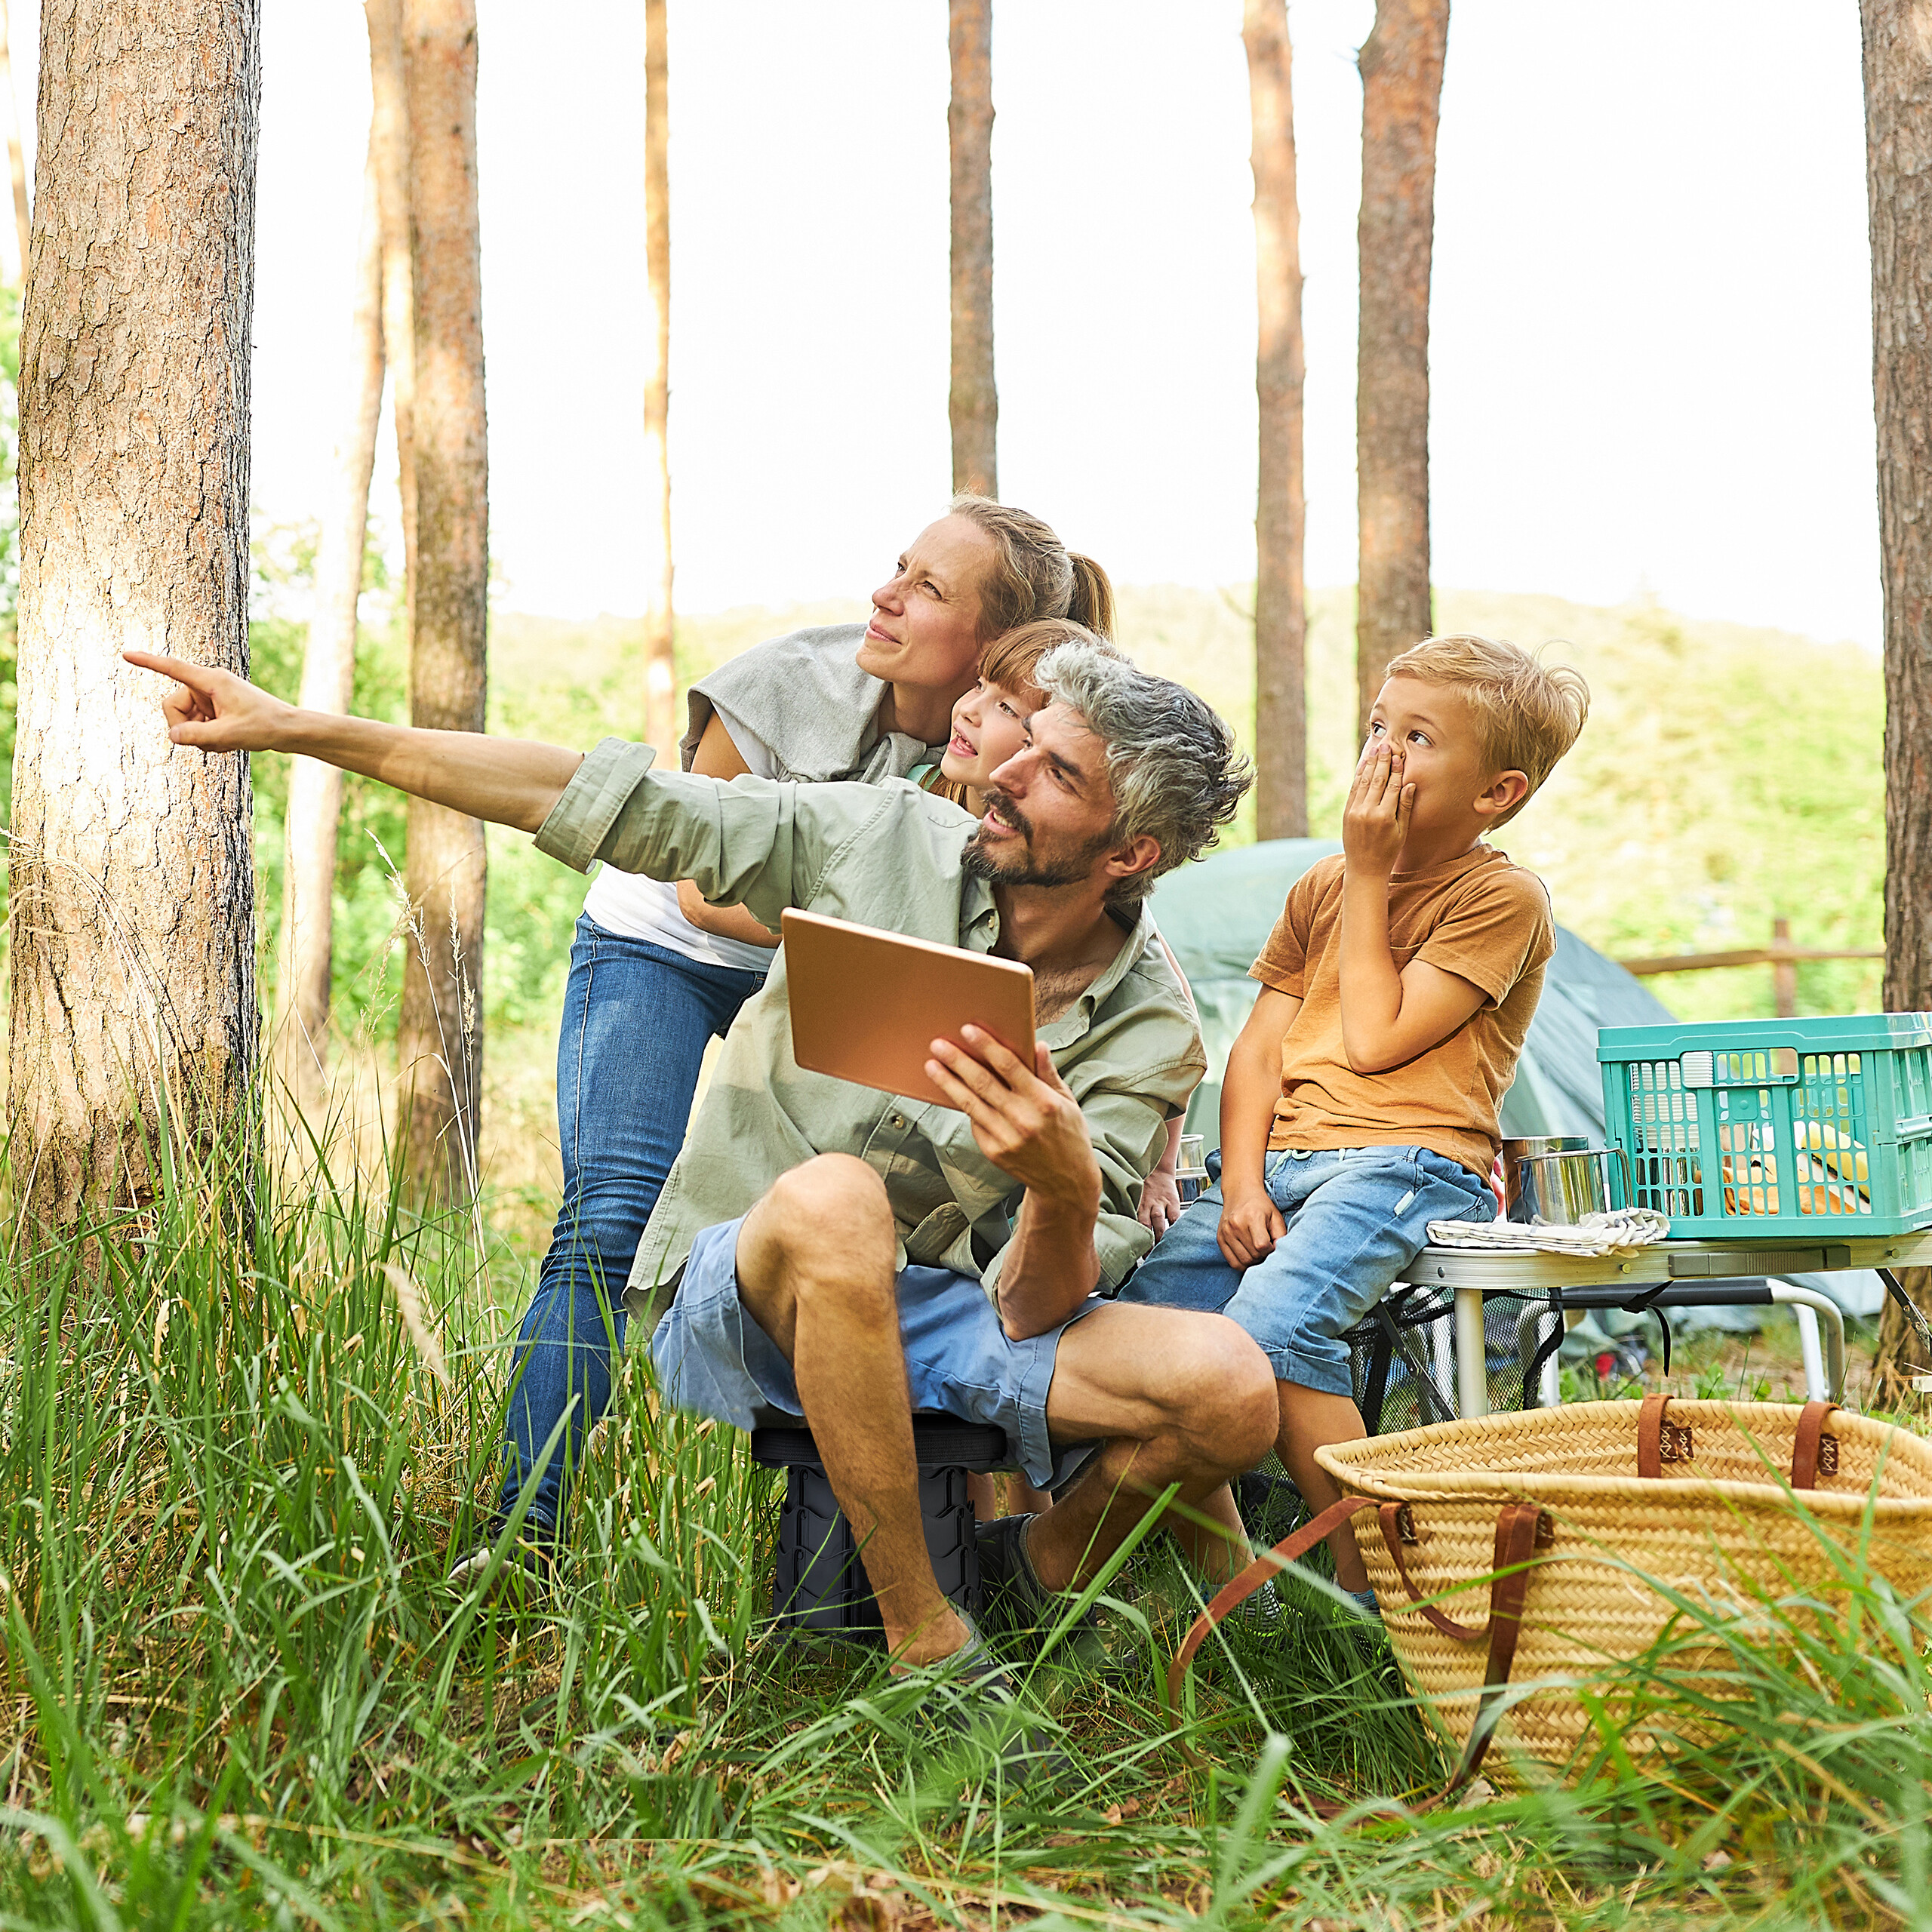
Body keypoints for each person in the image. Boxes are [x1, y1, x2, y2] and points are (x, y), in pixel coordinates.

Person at [129, 636, 1276, 1728]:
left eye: (1056, 770)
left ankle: (1032, 1566)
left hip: (956, 1310)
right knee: (838, 1200)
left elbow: (1031, 1308)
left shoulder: (1148, 1029)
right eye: (1023, 741)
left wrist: (1065, 1188)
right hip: (756, 1274)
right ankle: (929, 1635)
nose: (1006, 772)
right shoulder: (886, 841)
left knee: (1230, 1388)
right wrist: (298, 728)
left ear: (1132, 854)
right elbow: (601, 798)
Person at [485, 497, 1113, 1555]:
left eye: (927, 589)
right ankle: (519, 1531)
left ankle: (973, 1538)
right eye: (898, 568)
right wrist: (873, 903)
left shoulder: (1020, 734)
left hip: (853, 972)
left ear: (993, 652)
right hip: (677, 948)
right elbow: (690, 883)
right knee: (606, 1225)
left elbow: (1094, 910)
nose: (885, 596)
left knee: (944, 1216)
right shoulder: (786, 684)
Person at [1119, 635, 1591, 1612]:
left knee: (1273, 1333)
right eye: (1380, 724)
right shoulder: (1320, 891)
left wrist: (1371, 875)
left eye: (1419, 738)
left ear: (1497, 792)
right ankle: (1238, 1594)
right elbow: (1255, 1054)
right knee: (1147, 1334)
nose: (1383, 752)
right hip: (1281, 1161)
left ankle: (1388, 1604)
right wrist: (1240, 1183)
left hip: (1410, 1163)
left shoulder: (1500, 899)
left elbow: (1374, 1040)